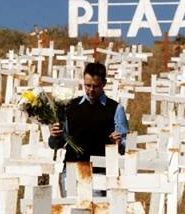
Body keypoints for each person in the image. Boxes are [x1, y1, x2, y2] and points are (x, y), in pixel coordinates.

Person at [48, 62, 128, 195]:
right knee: (72, 213)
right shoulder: (70, 106)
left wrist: (118, 143)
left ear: (104, 83)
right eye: (87, 85)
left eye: (95, 86)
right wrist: (54, 136)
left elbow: (125, 147)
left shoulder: (115, 109)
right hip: (71, 170)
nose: (91, 90)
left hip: (100, 172)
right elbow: (58, 143)